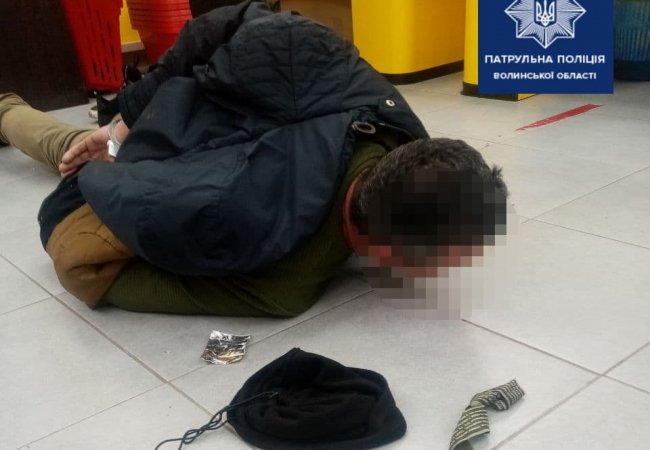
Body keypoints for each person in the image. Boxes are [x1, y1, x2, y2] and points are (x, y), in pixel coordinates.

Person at [0, 1, 508, 317]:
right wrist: (122, 126)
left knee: (63, 144)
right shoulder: (282, 279)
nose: (449, 273)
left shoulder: (390, 124)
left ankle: (6, 110)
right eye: (437, 264)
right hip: (160, 146)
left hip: (180, 152)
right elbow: (84, 266)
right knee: (73, 152)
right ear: (380, 251)